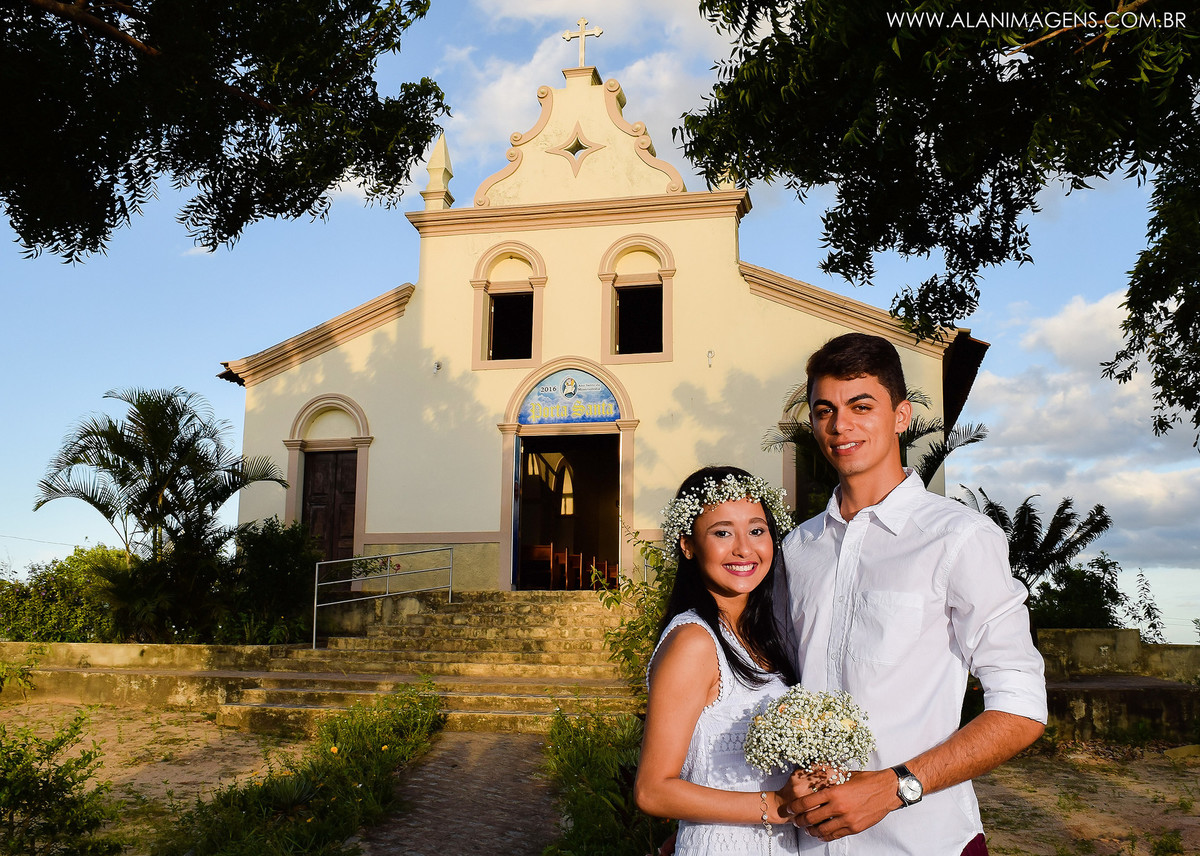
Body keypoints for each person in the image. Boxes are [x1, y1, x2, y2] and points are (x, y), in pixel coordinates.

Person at [776, 332, 1048, 855]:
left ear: (901, 416)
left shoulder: (959, 538)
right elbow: (784, 684)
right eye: (824, 410)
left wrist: (896, 786)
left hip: (923, 842)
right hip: (808, 843)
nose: (841, 425)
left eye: (861, 406)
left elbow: (1021, 705)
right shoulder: (798, 547)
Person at [634, 465, 807, 855]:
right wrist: (775, 805)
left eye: (757, 530)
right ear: (688, 544)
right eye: (722, 532)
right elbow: (651, 790)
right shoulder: (694, 642)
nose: (745, 549)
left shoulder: (765, 634)